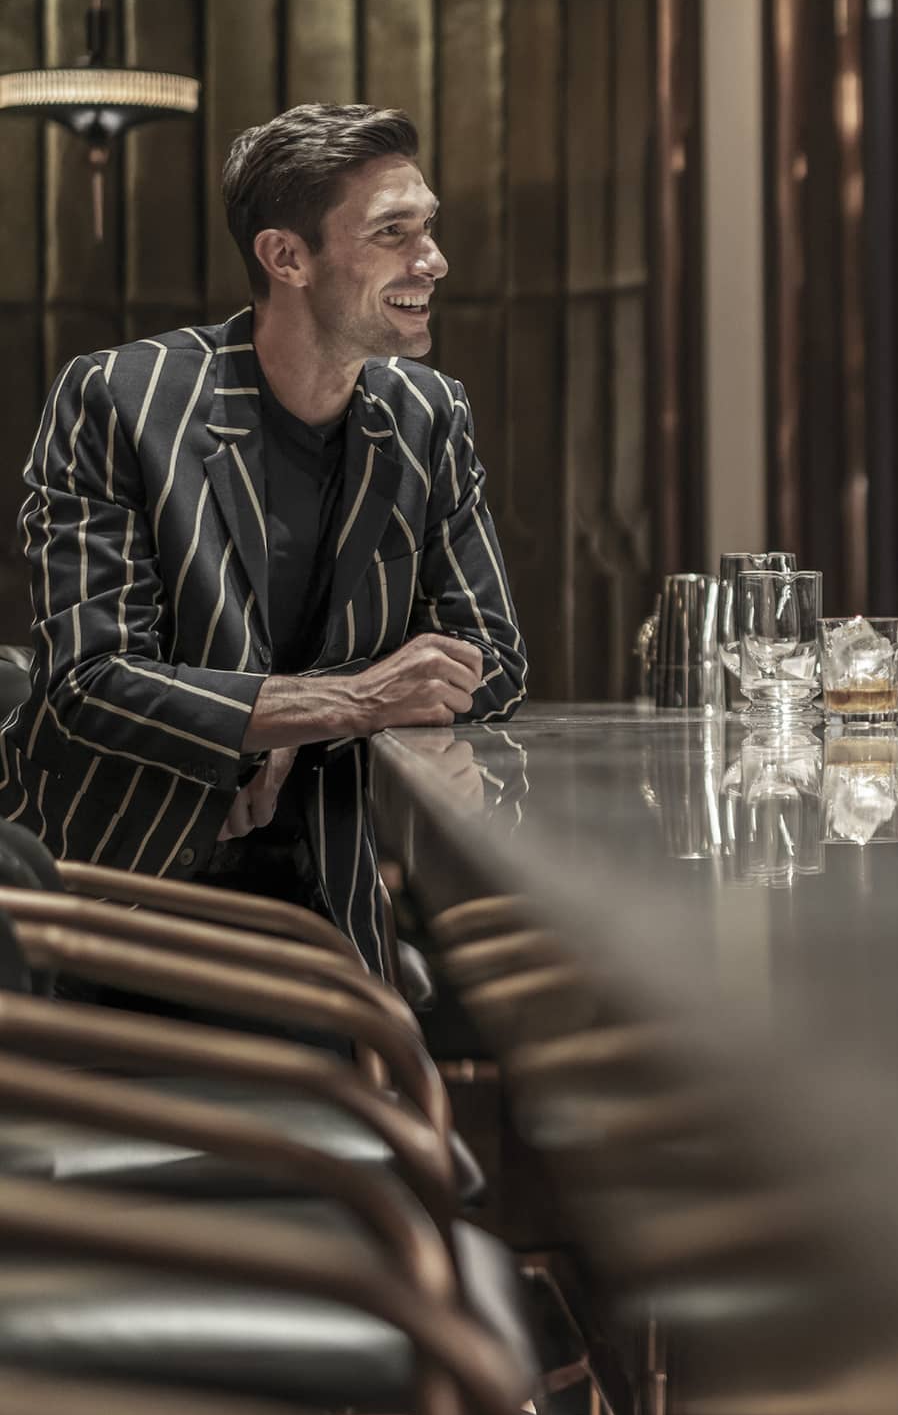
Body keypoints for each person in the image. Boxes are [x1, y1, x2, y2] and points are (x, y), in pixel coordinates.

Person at [0, 103, 527, 970]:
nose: (433, 260)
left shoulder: (429, 415)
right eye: (393, 232)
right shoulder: (119, 400)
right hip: (110, 911)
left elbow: (492, 657)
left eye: (427, 227)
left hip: (329, 903)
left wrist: (280, 725)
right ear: (286, 257)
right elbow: (88, 681)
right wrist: (343, 704)